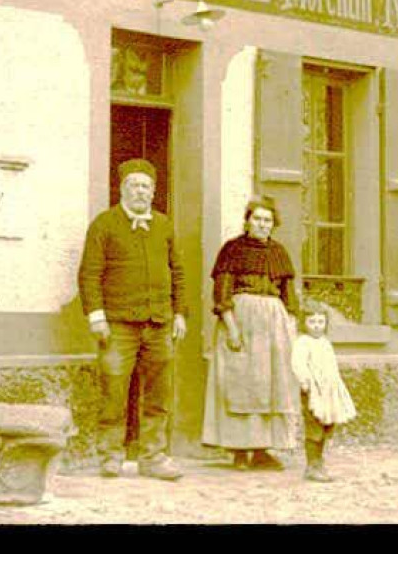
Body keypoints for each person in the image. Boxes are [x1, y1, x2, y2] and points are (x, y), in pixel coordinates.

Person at [77, 158, 187, 480]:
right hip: (118, 325)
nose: (141, 191)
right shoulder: (104, 224)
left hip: (159, 323)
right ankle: (110, 455)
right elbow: (89, 274)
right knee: (114, 389)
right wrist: (96, 316)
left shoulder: (164, 225)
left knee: (158, 392)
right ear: (122, 189)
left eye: (146, 186)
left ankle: (153, 457)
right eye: (134, 185)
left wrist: (180, 312)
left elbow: (178, 272)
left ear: (153, 192)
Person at [202, 195, 301, 470]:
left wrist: (290, 331)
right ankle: (238, 451)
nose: (262, 224)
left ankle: (261, 450)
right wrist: (231, 328)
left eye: (267, 220)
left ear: (273, 224)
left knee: (270, 384)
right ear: (247, 222)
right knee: (240, 383)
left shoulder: (280, 253)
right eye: (257, 218)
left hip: (274, 324)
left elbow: (289, 297)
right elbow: (221, 294)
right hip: (241, 321)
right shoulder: (231, 249)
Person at [290, 298, 357, 482]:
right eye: (312, 322)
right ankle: (312, 465)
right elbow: (298, 364)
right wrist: (306, 382)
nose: (316, 326)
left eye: (320, 322)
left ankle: (319, 461)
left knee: (327, 424)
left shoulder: (325, 343)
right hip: (313, 391)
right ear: (304, 323)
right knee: (314, 427)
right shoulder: (303, 342)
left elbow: (331, 366)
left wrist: (336, 387)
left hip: (328, 392)